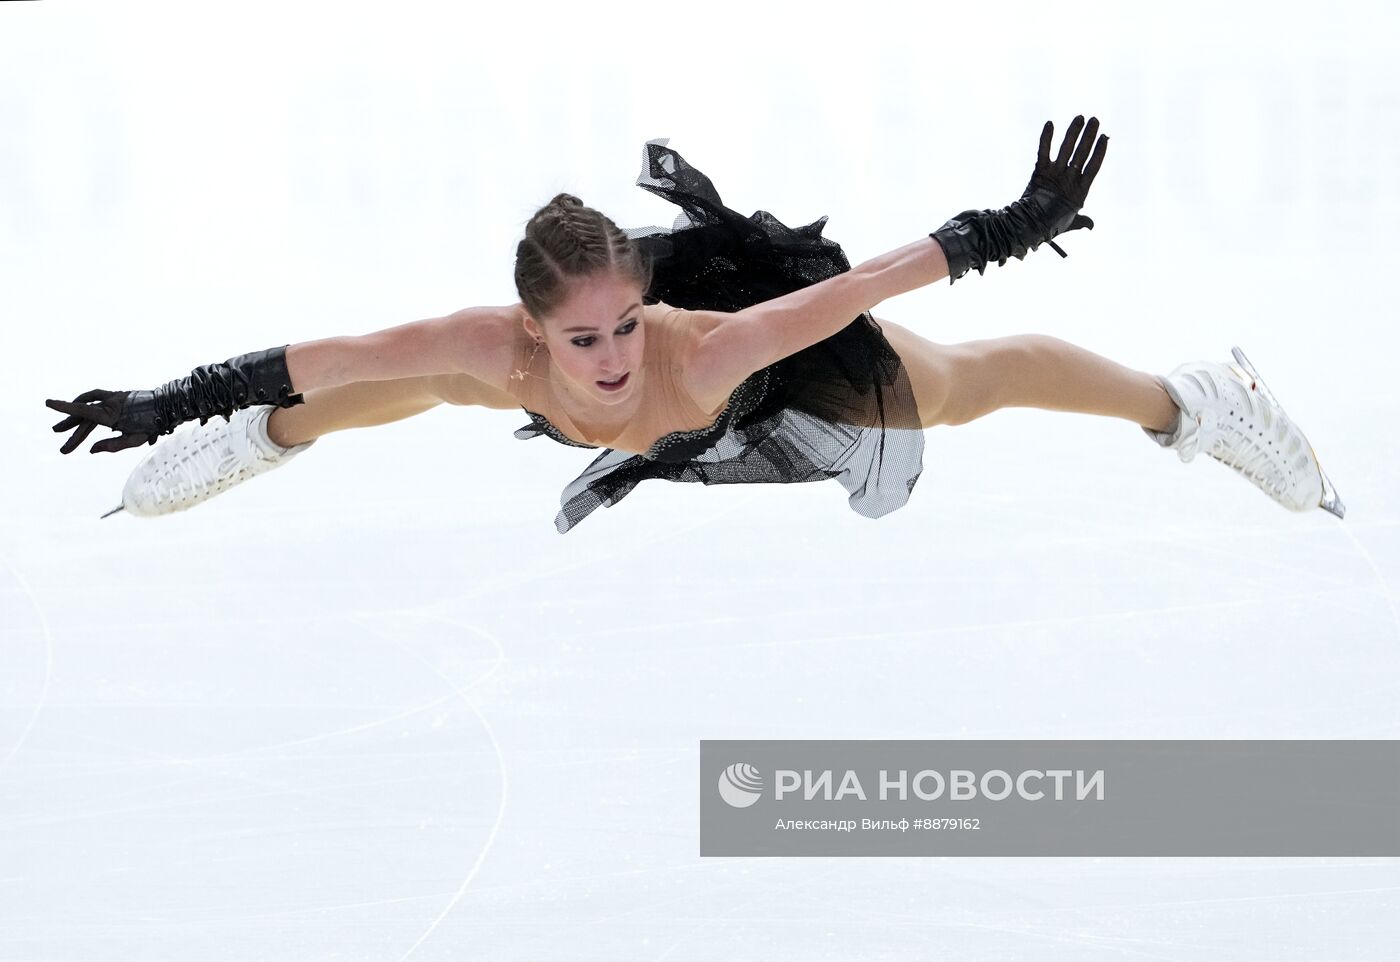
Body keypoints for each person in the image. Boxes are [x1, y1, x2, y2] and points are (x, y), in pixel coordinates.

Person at [46, 116, 1345, 531]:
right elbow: (326, 352)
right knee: (428, 383)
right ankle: (259, 446)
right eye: (580, 342)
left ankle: (1198, 401)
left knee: (957, 385)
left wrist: (1004, 224)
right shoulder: (494, 344)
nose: (607, 364)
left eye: (619, 331)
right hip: (514, 359)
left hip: (769, 371)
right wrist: (167, 401)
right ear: (533, 324)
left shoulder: (706, 346)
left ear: (642, 312)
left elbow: (863, 285)